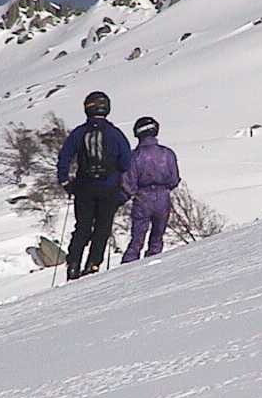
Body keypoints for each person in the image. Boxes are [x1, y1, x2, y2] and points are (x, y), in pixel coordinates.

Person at [57, 91, 132, 280]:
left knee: (82, 226)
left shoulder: (79, 133)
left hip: (84, 188)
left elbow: (64, 156)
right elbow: (126, 163)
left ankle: (73, 263)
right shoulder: (115, 134)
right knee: (103, 227)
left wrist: (65, 181)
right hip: (109, 188)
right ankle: (93, 265)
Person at [121, 117, 180, 263]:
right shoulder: (168, 154)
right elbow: (174, 179)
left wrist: (130, 193)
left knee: (137, 238)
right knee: (157, 237)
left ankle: (128, 266)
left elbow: (128, 182)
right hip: (163, 198)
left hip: (142, 198)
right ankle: (152, 266)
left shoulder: (134, 156)